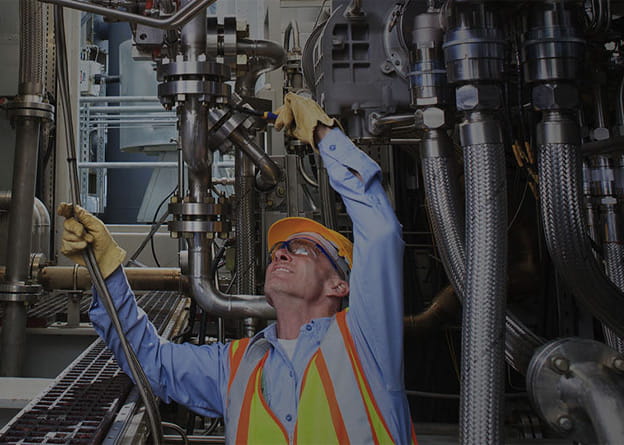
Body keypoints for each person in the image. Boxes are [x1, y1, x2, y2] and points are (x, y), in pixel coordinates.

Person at [58, 93, 416, 444]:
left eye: (302, 249)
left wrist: (324, 135)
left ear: (339, 286)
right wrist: (106, 268)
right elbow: (150, 361)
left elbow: (381, 230)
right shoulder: (236, 365)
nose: (281, 255)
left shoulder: (366, 342)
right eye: (277, 251)